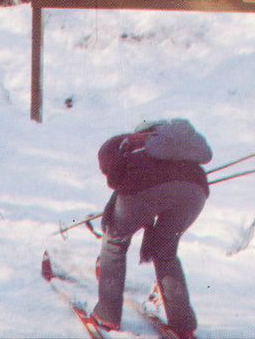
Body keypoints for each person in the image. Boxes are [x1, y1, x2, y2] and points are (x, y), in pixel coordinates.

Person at [91, 118, 212, 339]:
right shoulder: (181, 145)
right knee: (165, 253)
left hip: (143, 187)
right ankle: (183, 325)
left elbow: (114, 176)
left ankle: (107, 315)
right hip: (195, 191)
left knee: (115, 241)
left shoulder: (125, 141)